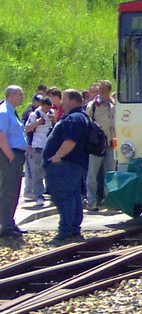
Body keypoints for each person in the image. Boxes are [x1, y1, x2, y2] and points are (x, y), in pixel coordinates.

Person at [42, 89, 91, 243]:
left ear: (73, 101)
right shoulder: (81, 117)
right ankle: (73, 229)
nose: (61, 102)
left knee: (64, 197)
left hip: (66, 165)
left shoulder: (73, 119)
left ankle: (66, 230)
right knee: (73, 196)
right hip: (74, 164)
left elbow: (70, 141)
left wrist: (57, 156)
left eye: (64, 98)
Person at [0, 86, 28, 239]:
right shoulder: (4, 112)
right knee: (8, 191)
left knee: (14, 191)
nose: (22, 97)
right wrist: (11, 156)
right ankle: (5, 226)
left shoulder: (11, 112)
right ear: (11, 95)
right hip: (8, 155)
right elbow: (1, 135)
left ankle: (9, 221)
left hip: (15, 154)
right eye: (20, 94)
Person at [85, 79, 115, 211]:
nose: (101, 91)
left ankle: (109, 201)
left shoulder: (114, 105)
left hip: (111, 143)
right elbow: (87, 123)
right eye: (99, 89)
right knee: (92, 174)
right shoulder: (93, 105)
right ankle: (91, 201)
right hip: (97, 145)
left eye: (103, 89)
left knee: (110, 174)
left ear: (109, 90)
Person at [23, 97, 55, 206]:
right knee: (38, 171)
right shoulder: (34, 114)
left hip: (49, 145)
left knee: (50, 171)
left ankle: (52, 194)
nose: (47, 110)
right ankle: (38, 195)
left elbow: (55, 127)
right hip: (38, 145)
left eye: (48, 108)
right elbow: (27, 129)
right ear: (41, 105)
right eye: (45, 108)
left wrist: (53, 119)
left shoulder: (51, 113)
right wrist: (36, 123)